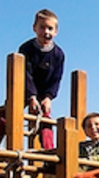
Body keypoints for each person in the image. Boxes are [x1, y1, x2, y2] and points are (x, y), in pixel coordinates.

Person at [18, 9, 65, 150]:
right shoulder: (26, 49)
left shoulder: (58, 54)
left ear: (56, 31)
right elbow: (25, 74)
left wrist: (48, 97)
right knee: (7, 114)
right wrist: (31, 96)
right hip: (23, 89)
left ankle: (48, 150)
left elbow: (56, 78)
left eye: (50, 28)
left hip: (44, 92)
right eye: (42, 27)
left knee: (45, 120)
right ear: (34, 28)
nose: (46, 32)